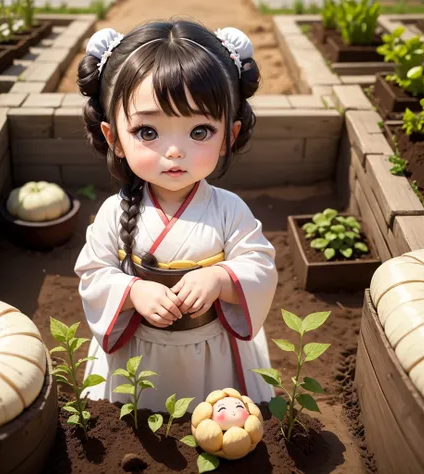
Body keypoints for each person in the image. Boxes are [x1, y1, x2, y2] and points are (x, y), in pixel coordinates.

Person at [74, 19, 278, 410]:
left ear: (229, 136)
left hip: (210, 347)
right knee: (134, 421)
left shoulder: (229, 210)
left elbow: (260, 266)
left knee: (214, 415)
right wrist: (133, 290)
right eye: (147, 132)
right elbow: (93, 273)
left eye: (199, 131)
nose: (174, 151)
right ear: (112, 137)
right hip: (138, 348)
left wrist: (220, 278)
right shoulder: (114, 213)